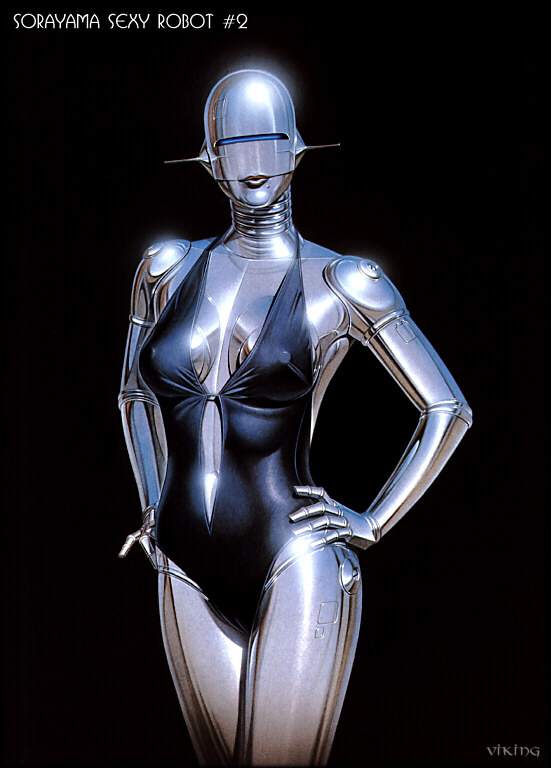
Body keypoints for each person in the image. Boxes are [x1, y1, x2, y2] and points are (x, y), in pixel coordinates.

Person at [118, 69, 473, 766]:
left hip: (295, 555)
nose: (253, 167)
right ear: (209, 160)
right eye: (234, 148)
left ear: (296, 149)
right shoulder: (163, 270)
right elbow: (133, 395)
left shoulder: (344, 282)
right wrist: (152, 504)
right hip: (181, 560)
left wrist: (373, 521)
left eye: (268, 145)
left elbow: (448, 408)